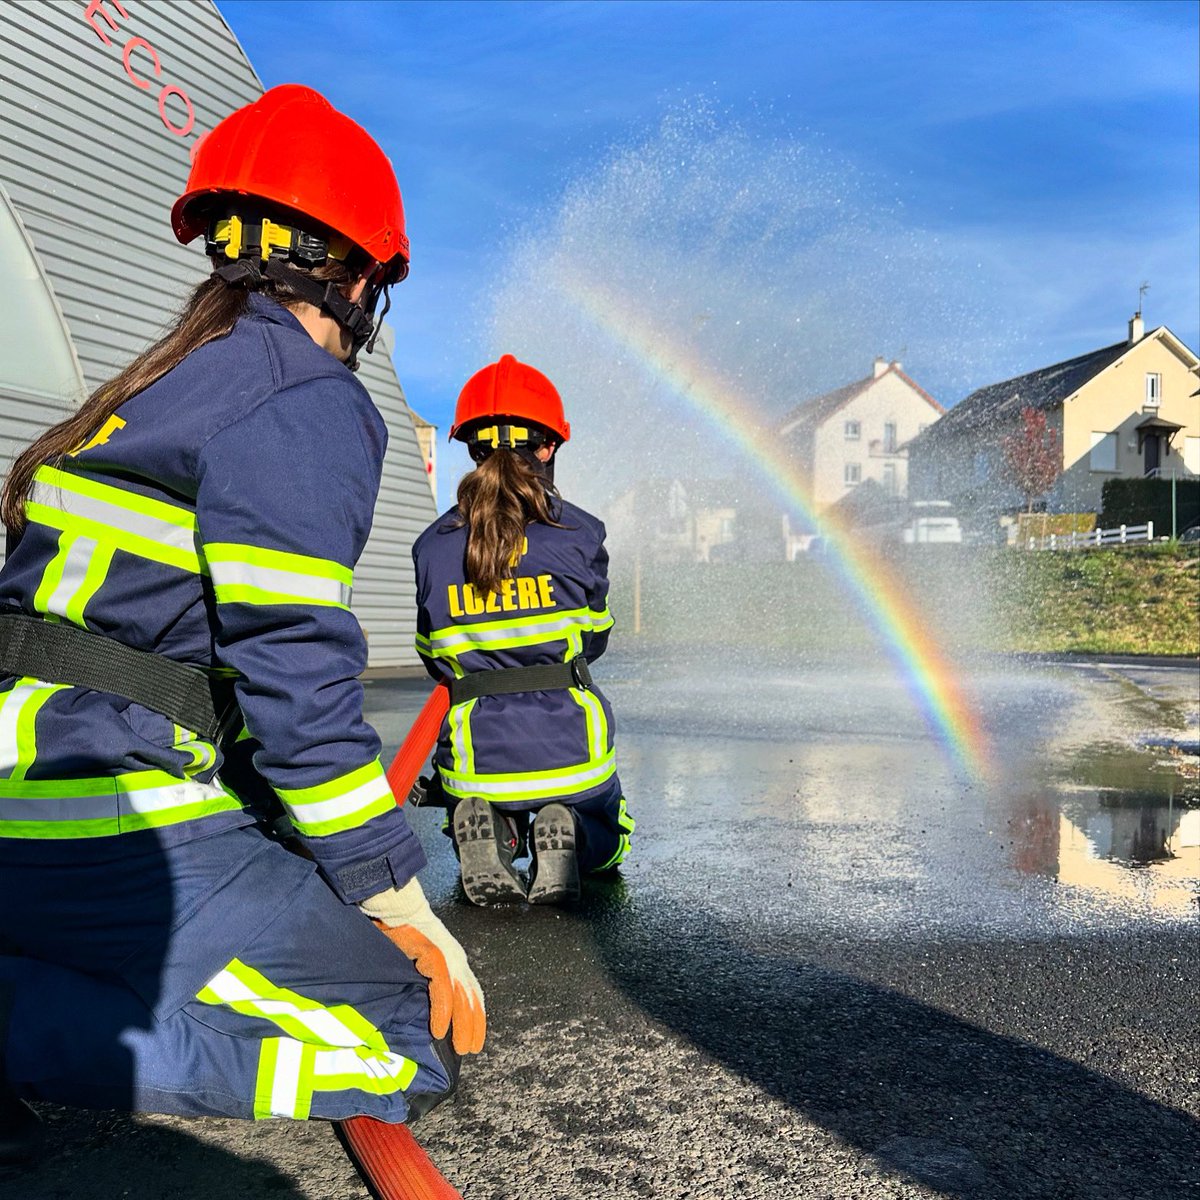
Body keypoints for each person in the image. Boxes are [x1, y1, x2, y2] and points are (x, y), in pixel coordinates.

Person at [0, 85, 484, 1158]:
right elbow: (294, 681)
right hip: (103, 823)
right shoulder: (301, 396)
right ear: (359, 277)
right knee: (409, 1032)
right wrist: (397, 896)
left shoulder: (156, 390)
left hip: (23, 810)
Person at [411, 355, 634, 907]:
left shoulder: (432, 546)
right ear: (549, 445)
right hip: (573, 747)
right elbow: (595, 637)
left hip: (476, 756)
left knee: (482, 796)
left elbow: (433, 656)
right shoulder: (580, 532)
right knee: (610, 834)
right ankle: (571, 829)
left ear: (471, 447)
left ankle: (494, 829)